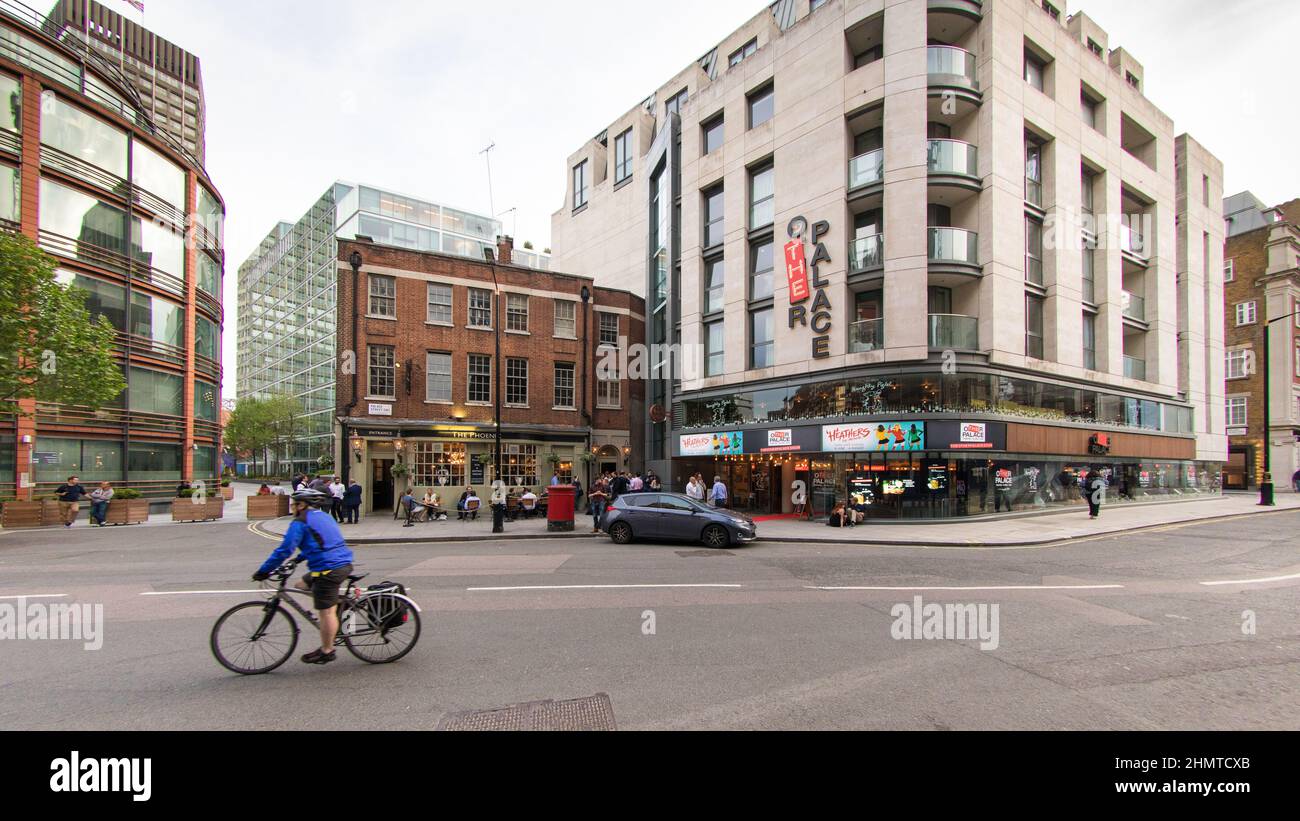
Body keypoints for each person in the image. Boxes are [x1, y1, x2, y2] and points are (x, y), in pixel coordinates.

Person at [252, 489, 354, 665]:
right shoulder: (325, 517)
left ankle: (327, 650)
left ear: (302, 505)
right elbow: (319, 542)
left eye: (294, 504)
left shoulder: (300, 522)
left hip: (328, 569)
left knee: (326, 611)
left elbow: (284, 550)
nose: (292, 507)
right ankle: (335, 604)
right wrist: (298, 560)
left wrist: (264, 571)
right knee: (301, 584)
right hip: (340, 563)